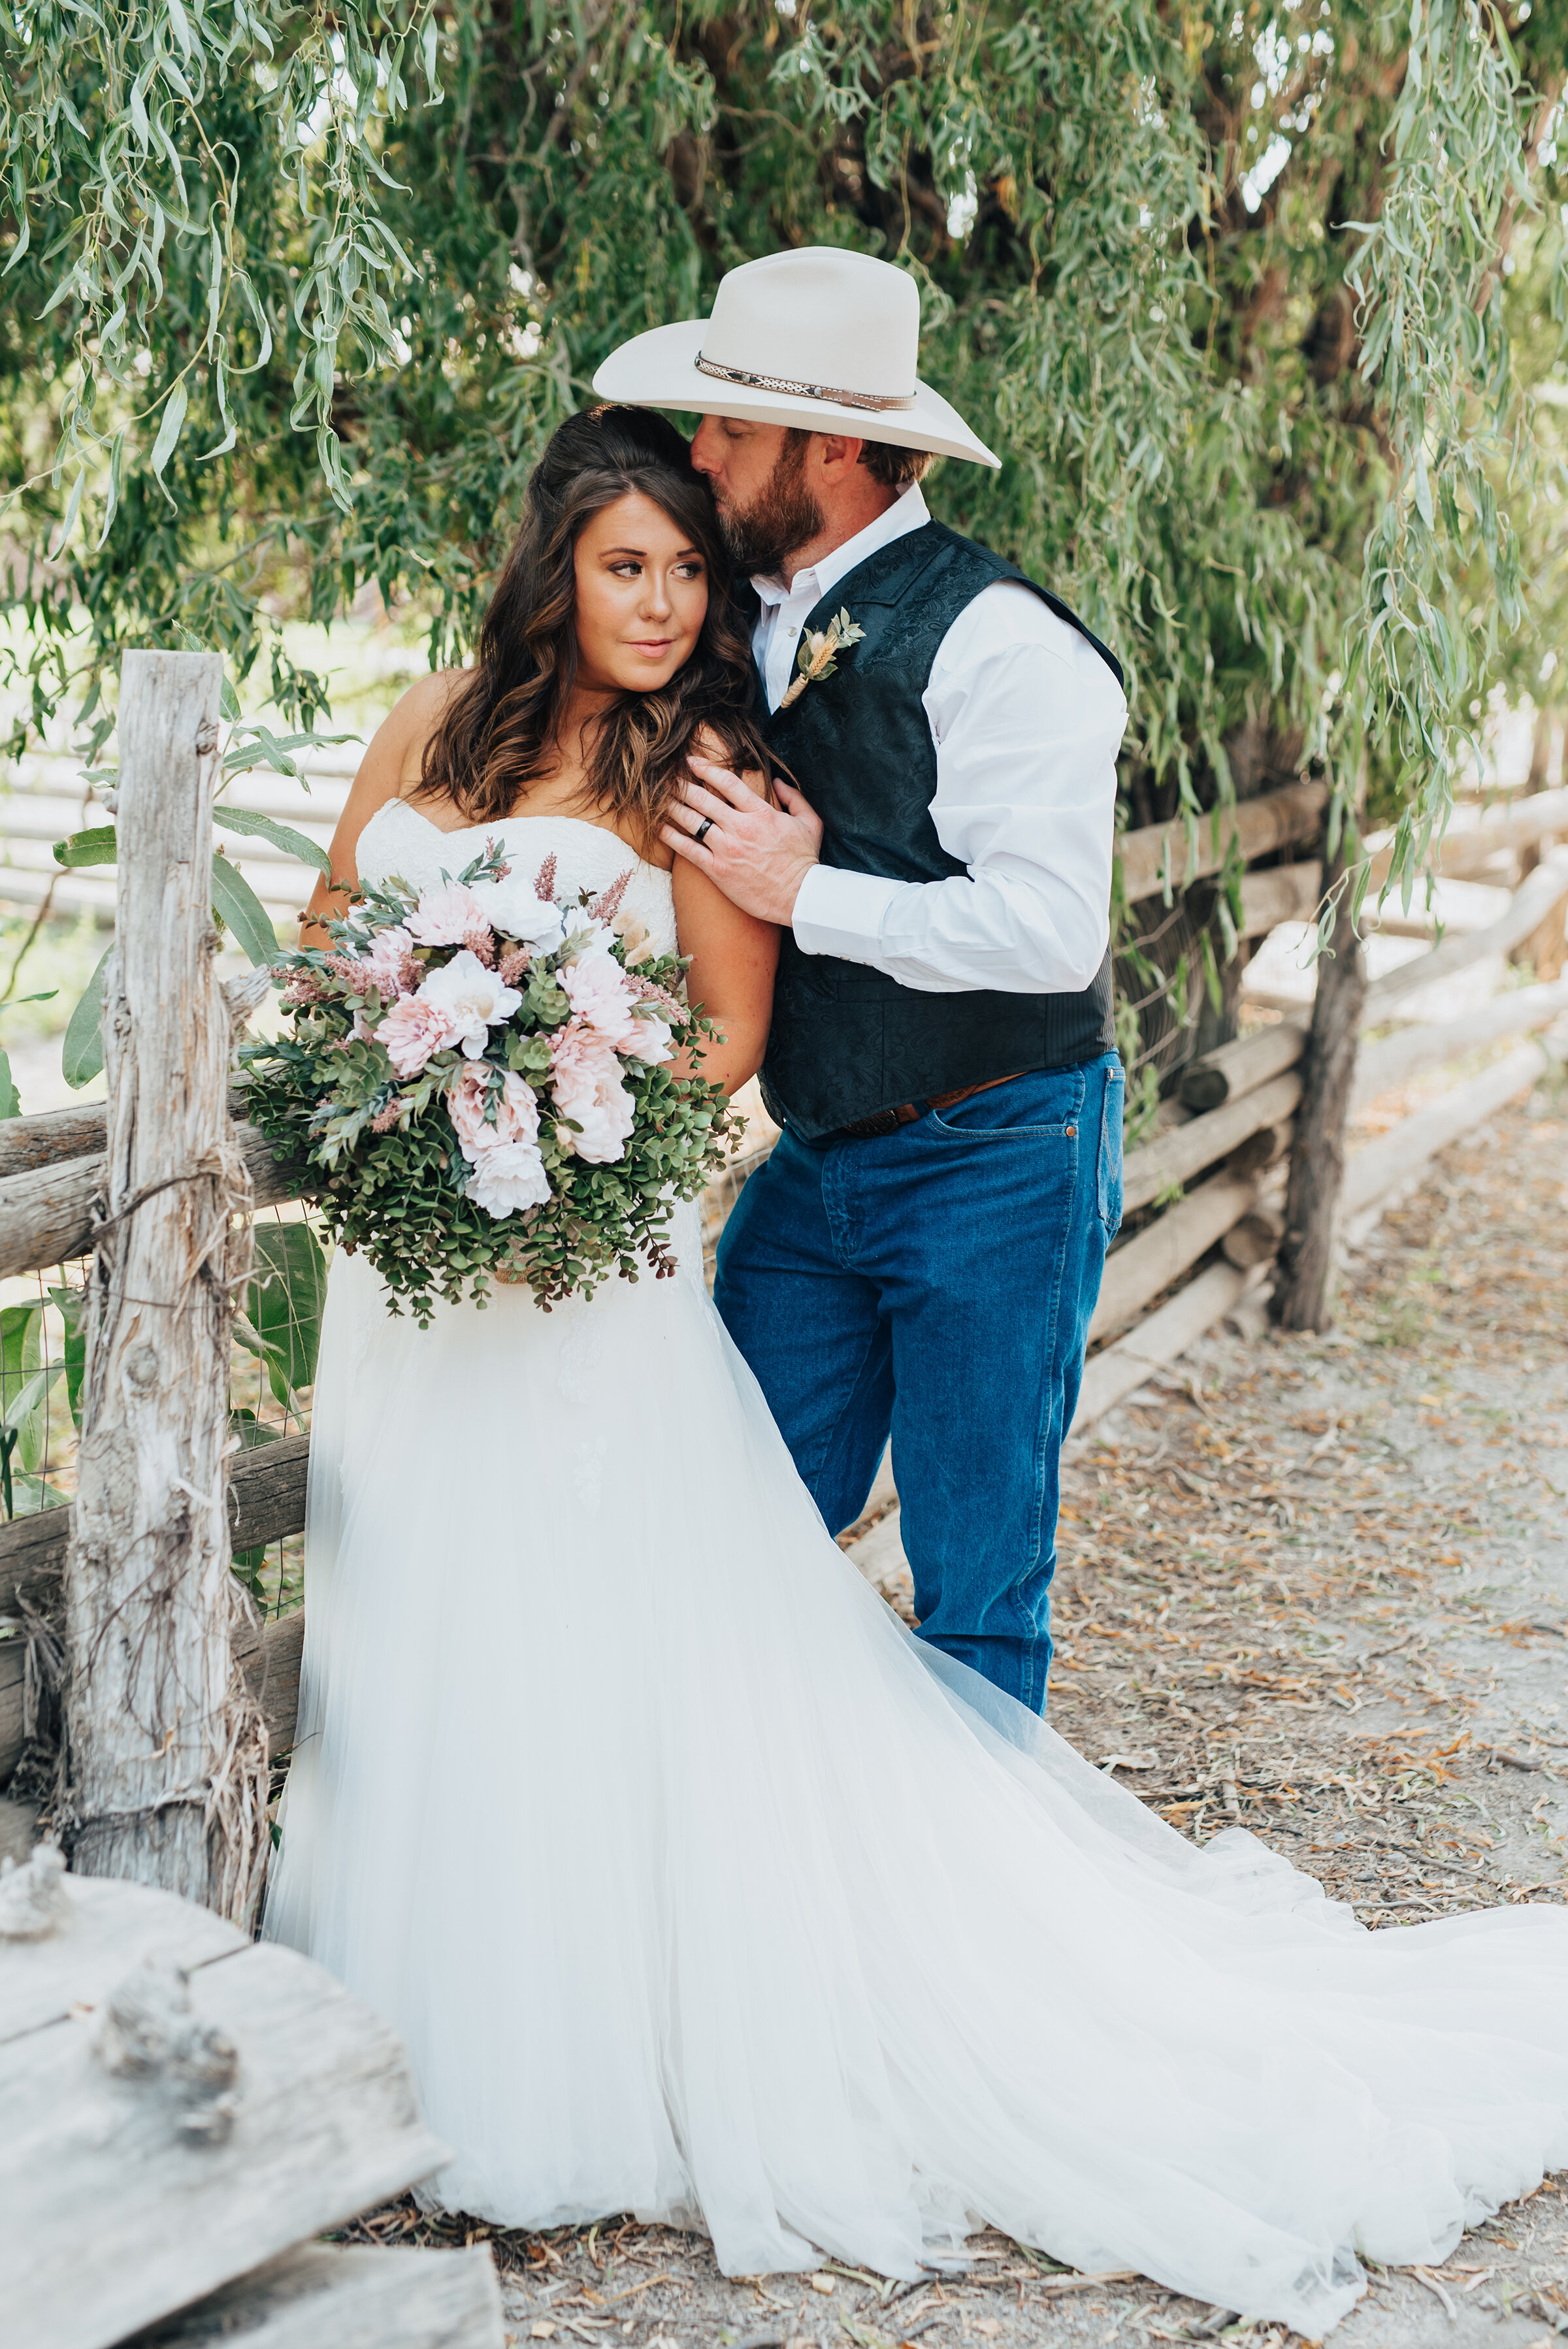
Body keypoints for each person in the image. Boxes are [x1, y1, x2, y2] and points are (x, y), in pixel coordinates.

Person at [263, 399, 1568, 2340]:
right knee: (447, 1613)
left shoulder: (724, 747)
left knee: (841, 1589)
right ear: (554, 566)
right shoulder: (432, 726)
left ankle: (672, 2017)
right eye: (630, 559)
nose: (664, 593)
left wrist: (539, 1100)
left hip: (657, 1224)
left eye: (689, 561)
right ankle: (408, 2008)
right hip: (430, 1280)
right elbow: (328, 952)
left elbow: (718, 1039)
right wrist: (406, 1082)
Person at [594, 246, 1126, 1716]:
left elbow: (1050, 932)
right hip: (818, 1160)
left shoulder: (1006, 645)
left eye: (728, 428)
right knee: (725, 1520)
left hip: (997, 1155)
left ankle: (973, 1919)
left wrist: (804, 892)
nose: (697, 454)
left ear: (831, 446)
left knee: (975, 1591)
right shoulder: (732, 617)